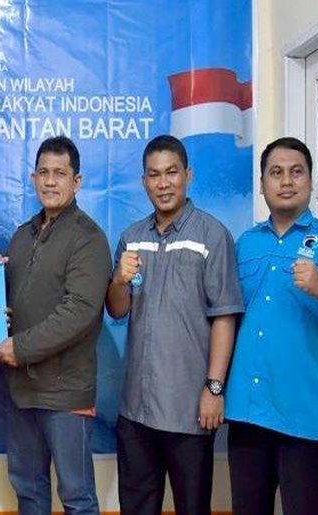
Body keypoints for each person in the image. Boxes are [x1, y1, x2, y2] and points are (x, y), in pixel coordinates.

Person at [225, 137, 318, 515]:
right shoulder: (244, 244)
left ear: (310, 180)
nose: (286, 181)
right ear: (262, 184)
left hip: (303, 419)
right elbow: (227, 318)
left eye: (296, 172)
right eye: (276, 173)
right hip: (247, 414)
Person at [106, 135, 243, 515]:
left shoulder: (212, 235)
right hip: (137, 410)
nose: (163, 183)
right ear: (144, 181)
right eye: (154, 175)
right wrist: (119, 279)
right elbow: (116, 310)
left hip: (190, 411)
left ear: (188, 175)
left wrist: (214, 388)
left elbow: (225, 315)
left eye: (171, 172)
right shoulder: (132, 238)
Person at [0, 135, 111, 514]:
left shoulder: (89, 238)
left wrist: (20, 347)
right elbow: (16, 301)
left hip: (65, 393)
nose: (50, 181)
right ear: (32, 178)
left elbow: (80, 311)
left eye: (60, 173)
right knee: (28, 491)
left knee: (77, 497)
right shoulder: (22, 235)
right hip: (22, 389)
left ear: (77, 182)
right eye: (43, 173)